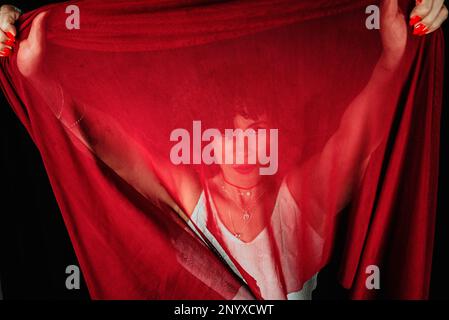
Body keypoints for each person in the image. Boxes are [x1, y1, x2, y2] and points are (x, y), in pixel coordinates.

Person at [0, 1, 447, 300]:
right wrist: (38, 75)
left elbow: (360, 129)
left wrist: (396, 48)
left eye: (259, 126)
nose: (247, 144)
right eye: (234, 130)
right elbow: (105, 143)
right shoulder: (191, 201)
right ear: (209, 140)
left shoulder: (298, 201)